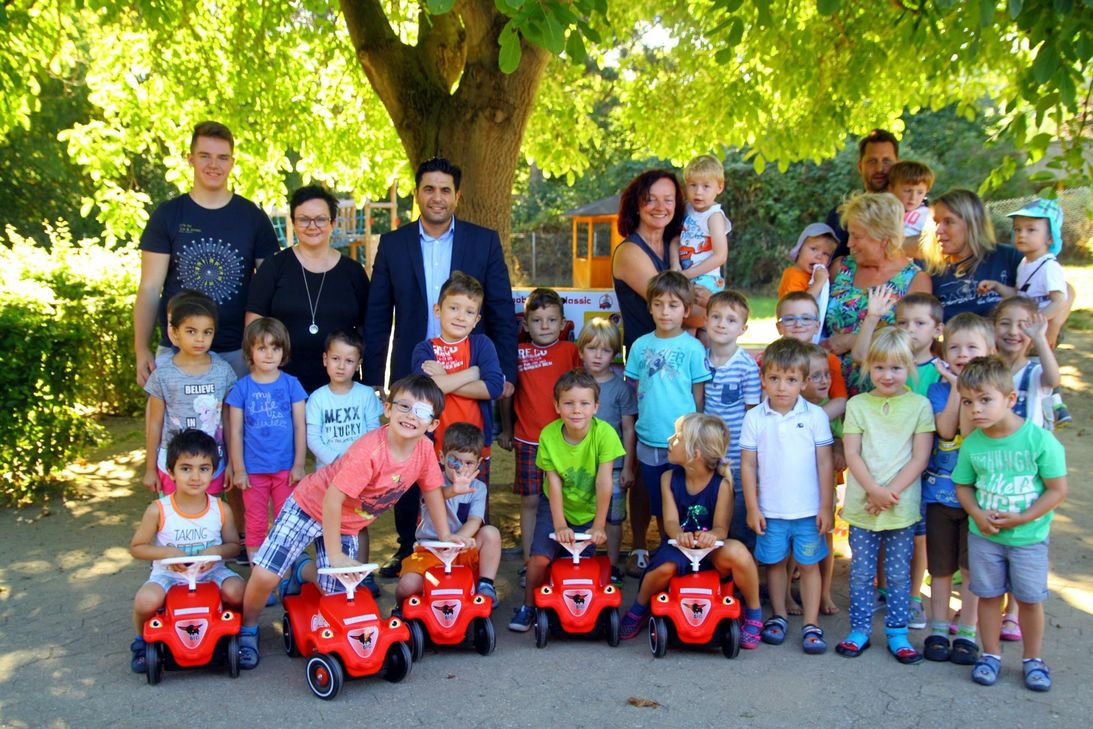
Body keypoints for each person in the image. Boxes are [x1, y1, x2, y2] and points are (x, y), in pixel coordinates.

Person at [238, 375, 470, 668]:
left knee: (338, 591)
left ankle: (301, 571)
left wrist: (446, 535)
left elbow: (432, 491)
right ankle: (247, 628)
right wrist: (334, 555)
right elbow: (332, 499)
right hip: (309, 505)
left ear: (433, 424)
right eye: (405, 406)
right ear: (387, 408)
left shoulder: (424, 451)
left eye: (422, 412)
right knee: (268, 574)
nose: (412, 416)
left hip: (347, 524)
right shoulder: (370, 452)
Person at [364, 157, 517, 577]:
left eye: (445, 190)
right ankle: (408, 546)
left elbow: (501, 309)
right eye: (429, 189)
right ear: (417, 194)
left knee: (465, 458)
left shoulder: (483, 241)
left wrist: (503, 373)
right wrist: (374, 382)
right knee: (410, 463)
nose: (437, 197)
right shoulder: (393, 244)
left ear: (457, 196)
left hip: (471, 364)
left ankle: (468, 545)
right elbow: (378, 315)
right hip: (414, 371)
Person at [134, 120, 279, 385]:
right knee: (175, 428)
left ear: (232, 163)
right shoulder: (168, 215)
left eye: (222, 157)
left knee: (236, 428)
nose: (214, 165)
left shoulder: (253, 218)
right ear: (190, 159)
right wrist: (141, 349)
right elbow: (149, 288)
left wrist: (264, 348)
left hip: (238, 353)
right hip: (177, 352)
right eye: (205, 156)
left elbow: (272, 288)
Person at [953, 356, 1067, 692]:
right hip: (984, 537)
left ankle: (1033, 659)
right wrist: (975, 513)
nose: (976, 410)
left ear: (1010, 399)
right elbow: (963, 486)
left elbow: (1058, 490)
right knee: (988, 596)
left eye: (985, 400)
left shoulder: (1039, 440)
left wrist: (1022, 518)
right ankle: (990, 655)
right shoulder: (973, 443)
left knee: (1030, 600)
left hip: (1028, 538)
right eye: (968, 402)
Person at [612, 169, 698, 576]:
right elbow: (680, 304)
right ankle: (640, 546)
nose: (661, 207)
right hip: (647, 364)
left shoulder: (677, 246)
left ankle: (681, 540)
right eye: (651, 199)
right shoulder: (630, 252)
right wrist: (708, 309)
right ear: (636, 204)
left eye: (669, 199)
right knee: (647, 464)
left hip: (683, 363)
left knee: (684, 458)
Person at [618, 414, 763, 646]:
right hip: (679, 547)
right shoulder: (668, 478)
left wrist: (711, 536)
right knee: (663, 567)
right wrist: (679, 536)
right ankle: (639, 608)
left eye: (677, 437)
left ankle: (754, 613)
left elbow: (721, 529)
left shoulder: (723, 483)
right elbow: (670, 523)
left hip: (710, 551)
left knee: (739, 553)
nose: (670, 439)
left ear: (695, 454)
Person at [836, 327, 934, 663]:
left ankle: (897, 632)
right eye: (879, 367)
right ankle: (860, 629)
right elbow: (852, 454)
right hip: (864, 503)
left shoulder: (920, 406)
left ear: (909, 368)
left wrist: (889, 493)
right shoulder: (858, 405)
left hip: (900, 505)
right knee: (862, 570)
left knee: (896, 574)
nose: (887, 375)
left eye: (895, 368)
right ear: (868, 369)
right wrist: (874, 491)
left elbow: (920, 457)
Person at [508, 370, 625, 632]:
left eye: (584, 403)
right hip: (555, 507)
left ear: (596, 406)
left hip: (589, 510)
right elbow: (553, 482)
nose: (576, 410)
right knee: (539, 559)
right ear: (557, 406)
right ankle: (528, 606)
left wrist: (599, 525)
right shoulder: (549, 436)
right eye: (569, 403)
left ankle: (580, 609)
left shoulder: (605, 434)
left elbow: (605, 482)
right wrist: (559, 524)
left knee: (581, 566)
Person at [740, 337, 834, 654]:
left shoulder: (815, 417)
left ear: (804, 382)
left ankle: (811, 623)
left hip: (807, 511)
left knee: (809, 565)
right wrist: (753, 507)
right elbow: (748, 465)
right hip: (772, 510)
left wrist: (826, 506)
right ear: (763, 379)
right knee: (775, 563)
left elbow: (825, 463)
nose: (782, 387)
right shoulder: (754, 418)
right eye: (775, 378)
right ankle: (778, 616)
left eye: (791, 379)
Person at [129, 429, 243, 673]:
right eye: (186, 468)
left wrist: (216, 551)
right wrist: (166, 554)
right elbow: (137, 548)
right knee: (145, 600)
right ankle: (141, 642)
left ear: (214, 472)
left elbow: (234, 546)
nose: (195, 476)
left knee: (238, 591)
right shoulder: (158, 509)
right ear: (171, 471)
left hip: (210, 573)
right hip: (170, 575)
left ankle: (236, 634)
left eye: (203, 468)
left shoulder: (220, 508)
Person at [921, 313, 996, 664]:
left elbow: (972, 434)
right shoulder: (937, 389)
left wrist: (969, 393)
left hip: (979, 500)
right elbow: (948, 431)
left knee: (970, 570)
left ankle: (967, 630)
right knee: (938, 569)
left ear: (989, 351)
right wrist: (955, 389)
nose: (962, 353)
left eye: (971, 347)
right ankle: (937, 629)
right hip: (939, 495)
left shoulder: (992, 395)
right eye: (954, 347)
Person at [246, 185, 370, 393]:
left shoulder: (353, 272)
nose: (312, 226)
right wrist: (260, 375)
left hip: (341, 389)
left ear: (332, 223)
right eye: (304, 219)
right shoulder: (274, 267)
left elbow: (369, 328)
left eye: (320, 219)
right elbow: (254, 325)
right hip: (281, 385)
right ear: (293, 223)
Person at [498, 288, 581, 573]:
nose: (544, 326)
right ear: (525, 324)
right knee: (531, 500)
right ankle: (529, 561)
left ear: (562, 323)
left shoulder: (572, 351)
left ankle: (563, 558)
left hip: (564, 441)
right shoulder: (517, 353)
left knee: (564, 499)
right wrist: (506, 430)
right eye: (537, 320)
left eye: (551, 320)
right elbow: (507, 394)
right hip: (528, 439)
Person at [624, 271, 711, 539]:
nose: (665, 312)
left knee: (682, 500)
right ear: (649, 307)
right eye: (658, 304)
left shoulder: (693, 348)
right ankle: (655, 546)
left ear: (686, 310)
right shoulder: (640, 346)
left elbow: (699, 396)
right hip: (649, 438)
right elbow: (637, 389)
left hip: (683, 443)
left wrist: (695, 437)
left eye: (673, 305)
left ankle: (677, 551)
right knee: (656, 502)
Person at [822, 192, 931, 395]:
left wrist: (854, 340)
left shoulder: (915, 280)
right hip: (830, 390)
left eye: (857, 236)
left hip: (883, 392)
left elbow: (915, 339)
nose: (849, 244)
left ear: (883, 238)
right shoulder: (841, 269)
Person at [305, 329, 384, 596]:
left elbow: (374, 433)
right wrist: (339, 462)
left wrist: (360, 464)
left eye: (349, 361)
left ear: (358, 364)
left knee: (358, 525)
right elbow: (313, 439)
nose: (341, 365)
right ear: (325, 359)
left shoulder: (364, 397)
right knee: (328, 525)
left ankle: (362, 574)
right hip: (329, 476)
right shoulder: (317, 399)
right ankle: (327, 577)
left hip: (361, 476)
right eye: (336, 358)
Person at [979, 198, 1070, 424]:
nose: (1021, 235)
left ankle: (1054, 409)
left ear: (1049, 238)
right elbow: (1021, 294)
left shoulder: (1049, 266)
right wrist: (999, 287)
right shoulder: (1025, 264)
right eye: (1018, 229)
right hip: (1024, 330)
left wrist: (1036, 326)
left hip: (1036, 333)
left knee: (1041, 374)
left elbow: (1059, 301)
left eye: (1031, 230)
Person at [225, 318, 307, 563]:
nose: (270, 354)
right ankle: (259, 573)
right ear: (250, 351)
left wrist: (299, 464)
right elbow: (235, 432)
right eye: (262, 348)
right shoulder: (241, 389)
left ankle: (284, 573)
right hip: (253, 472)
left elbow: (300, 426)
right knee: (256, 522)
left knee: (285, 521)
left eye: (276, 347)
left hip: (285, 469)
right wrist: (239, 469)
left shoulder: (291, 384)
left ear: (284, 351)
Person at [394, 423, 502, 607]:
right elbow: (433, 497)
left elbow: (475, 521)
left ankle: (486, 584)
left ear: (478, 464)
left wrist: (456, 540)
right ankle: (403, 609)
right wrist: (454, 490)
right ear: (442, 458)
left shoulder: (479, 488)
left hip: (462, 549)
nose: (461, 468)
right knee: (406, 586)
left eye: (468, 463)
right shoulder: (430, 480)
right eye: (455, 461)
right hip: (430, 551)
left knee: (490, 533)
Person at [142, 291, 236, 496]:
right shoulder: (163, 375)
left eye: (207, 332)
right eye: (191, 331)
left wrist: (232, 464)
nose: (200, 339)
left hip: (212, 464)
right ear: (175, 333)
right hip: (173, 466)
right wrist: (150, 468)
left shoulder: (224, 372)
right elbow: (155, 422)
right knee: (175, 520)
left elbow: (228, 420)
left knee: (210, 521)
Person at [413, 271, 505, 466]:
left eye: (469, 312)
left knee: (475, 496)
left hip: (476, 451)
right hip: (435, 449)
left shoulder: (481, 345)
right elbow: (426, 390)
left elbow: (494, 388)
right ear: (437, 310)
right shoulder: (425, 349)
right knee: (437, 497)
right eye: (454, 308)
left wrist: (445, 379)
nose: (461, 317)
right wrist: (472, 373)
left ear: (477, 320)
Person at [576, 318, 637, 584]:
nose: (598, 355)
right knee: (583, 514)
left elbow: (628, 429)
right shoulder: (574, 384)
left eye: (605, 350)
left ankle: (612, 565)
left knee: (613, 518)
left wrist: (628, 466)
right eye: (591, 348)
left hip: (612, 467)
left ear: (615, 354)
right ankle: (582, 562)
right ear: (581, 351)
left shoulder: (621, 388)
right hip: (580, 464)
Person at [701, 290, 761, 551]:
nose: (721, 324)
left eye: (730, 319)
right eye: (716, 316)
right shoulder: (700, 359)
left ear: (743, 329)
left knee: (736, 512)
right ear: (705, 321)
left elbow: (752, 411)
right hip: (705, 452)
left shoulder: (746, 366)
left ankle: (740, 564)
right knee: (707, 506)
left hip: (735, 454)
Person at [921, 189, 1023, 320]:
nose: (938, 230)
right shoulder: (931, 272)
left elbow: (1041, 302)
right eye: (936, 222)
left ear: (972, 224)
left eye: (948, 222)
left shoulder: (1009, 257)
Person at [800, 344, 844, 617]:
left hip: (823, 487)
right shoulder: (790, 408)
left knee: (824, 538)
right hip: (794, 487)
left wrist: (838, 449)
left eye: (826, 374)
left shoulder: (830, 410)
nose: (825, 380)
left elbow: (840, 437)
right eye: (815, 376)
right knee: (796, 543)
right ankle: (794, 592)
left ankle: (825, 591)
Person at [850, 290, 945, 399]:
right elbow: (860, 356)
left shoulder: (942, 371)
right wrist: (872, 318)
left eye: (920, 323)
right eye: (902, 323)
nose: (910, 329)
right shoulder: (885, 357)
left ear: (937, 330)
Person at [825, 129, 901, 258]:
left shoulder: (920, 213)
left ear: (898, 165)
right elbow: (824, 265)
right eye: (872, 161)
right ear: (860, 167)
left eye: (887, 161)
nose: (879, 169)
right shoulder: (841, 216)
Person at [992, 296, 1060, 430]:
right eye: (1005, 323)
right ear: (993, 326)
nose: (1013, 331)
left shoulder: (1035, 372)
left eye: (1023, 325)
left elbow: (1053, 380)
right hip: (994, 448)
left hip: (1029, 449)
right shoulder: (984, 369)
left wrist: (1039, 338)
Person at [670, 154, 730, 295]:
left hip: (706, 279)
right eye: (693, 185)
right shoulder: (687, 210)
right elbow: (676, 240)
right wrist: (675, 265)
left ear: (719, 187)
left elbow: (720, 256)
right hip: (685, 275)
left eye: (706, 186)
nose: (698, 192)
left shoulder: (714, 216)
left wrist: (687, 274)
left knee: (695, 315)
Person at [778, 224, 840, 339]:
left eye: (826, 254)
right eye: (813, 249)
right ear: (799, 250)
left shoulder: (815, 275)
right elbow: (798, 307)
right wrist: (818, 283)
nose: (819, 256)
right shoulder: (793, 275)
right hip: (795, 334)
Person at [886, 160, 934, 257]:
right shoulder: (881, 211)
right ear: (891, 188)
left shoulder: (928, 215)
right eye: (907, 191)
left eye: (920, 192)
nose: (913, 198)